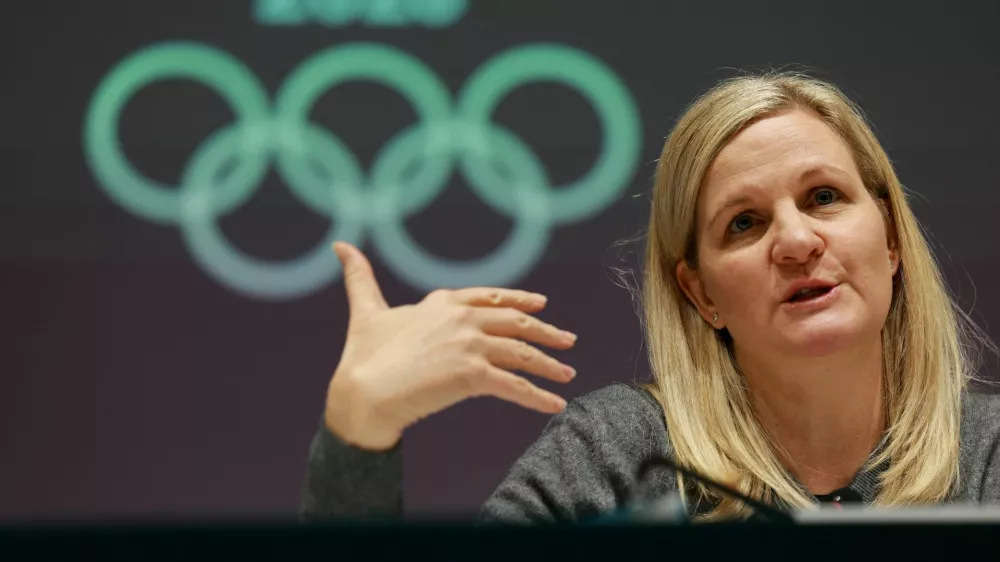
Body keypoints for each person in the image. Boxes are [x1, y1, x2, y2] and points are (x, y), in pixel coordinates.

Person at [299, 71, 1000, 523]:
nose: (794, 241)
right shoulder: (622, 454)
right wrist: (360, 427)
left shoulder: (989, 454)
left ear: (891, 239)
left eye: (824, 197)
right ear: (700, 293)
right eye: (744, 223)